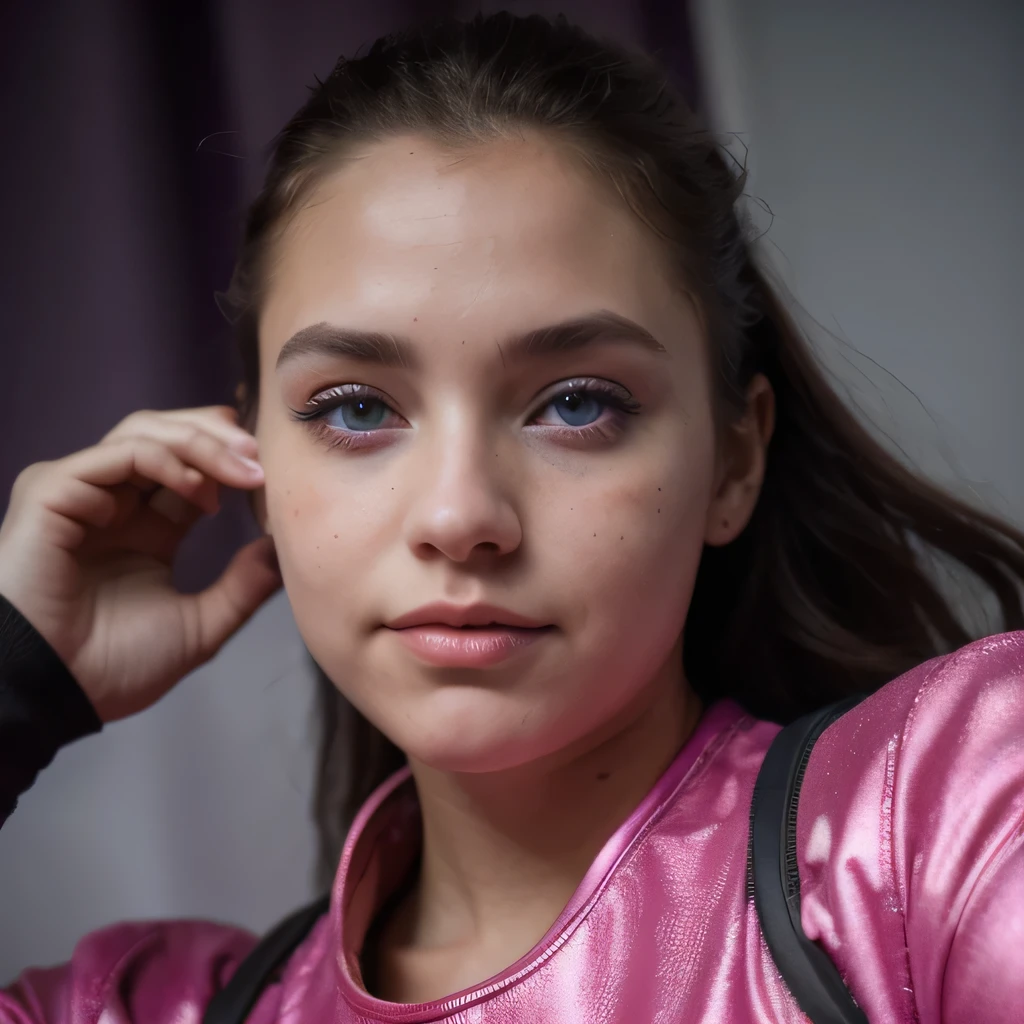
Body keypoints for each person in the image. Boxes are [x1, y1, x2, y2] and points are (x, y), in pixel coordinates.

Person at [1, 10, 1022, 1023]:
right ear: (252, 467)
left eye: (576, 403)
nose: (460, 515)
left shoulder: (946, 827)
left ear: (733, 460)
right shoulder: (136, 1010)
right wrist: (14, 679)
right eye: (356, 409)